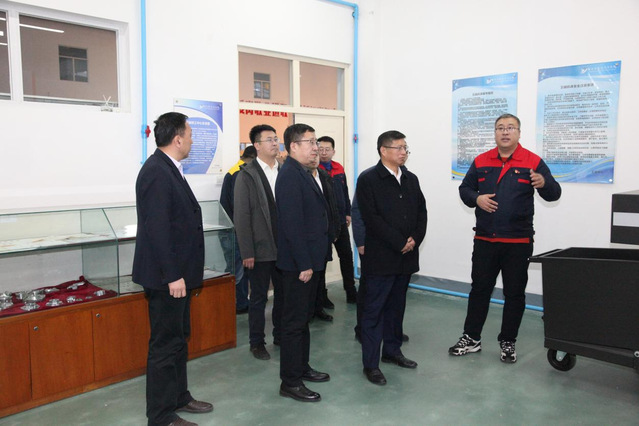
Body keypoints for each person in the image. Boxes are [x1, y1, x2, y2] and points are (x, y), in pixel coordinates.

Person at [449, 113, 561, 363]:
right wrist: (476, 198)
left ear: (519, 133)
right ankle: (471, 338)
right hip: (485, 240)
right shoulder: (481, 160)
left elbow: (554, 194)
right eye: (500, 128)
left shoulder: (532, 161)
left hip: (517, 242)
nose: (505, 132)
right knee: (479, 290)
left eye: (510, 127)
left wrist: (543, 182)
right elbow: (465, 189)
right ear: (495, 133)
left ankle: (508, 341)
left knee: (514, 294)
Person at [132, 112, 213, 426]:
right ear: (178, 139)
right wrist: (173, 275)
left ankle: (179, 397)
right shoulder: (156, 171)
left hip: (177, 275)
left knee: (179, 339)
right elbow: (158, 229)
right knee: (165, 346)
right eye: (190, 135)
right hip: (167, 278)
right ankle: (161, 415)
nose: (192, 140)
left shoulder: (169, 169)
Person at [355, 130, 427, 386]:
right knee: (374, 311)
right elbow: (371, 218)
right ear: (383, 150)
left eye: (405, 148)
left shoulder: (410, 178)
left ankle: (392, 351)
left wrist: (414, 239)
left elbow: (421, 212)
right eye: (398, 148)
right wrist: (399, 242)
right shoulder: (368, 179)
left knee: (397, 308)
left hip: (405, 258)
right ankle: (371, 364)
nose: (403, 152)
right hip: (381, 257)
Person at [276, 123, 331, 402]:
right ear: (293, 146)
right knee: (294, 323)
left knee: (303, 320)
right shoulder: (289, 175)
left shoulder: (303, 172)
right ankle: (290, 381)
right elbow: (292, 225)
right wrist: (304, 264)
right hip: (299, 265)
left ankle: (302, 367)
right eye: (309, 142)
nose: (315, 148)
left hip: (310, 260)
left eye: (316, 142)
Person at [234, 125, 283, 361]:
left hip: (284, 247)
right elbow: (242, 216)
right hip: (260, 248)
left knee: (284, 295)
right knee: (259, 298)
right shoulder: (247, 175)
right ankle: (257, 342)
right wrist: (247, 251)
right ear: (257, 145)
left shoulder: (284, 170)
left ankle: (281, 335)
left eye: (276, 139)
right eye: (269, 140)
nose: (275, 143)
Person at [318, 136, 357, 305]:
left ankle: (351, 291)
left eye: (327, 149)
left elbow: (345, 191)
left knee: (346, 256)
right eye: (320, 149)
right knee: (322, 261)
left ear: (333, 151)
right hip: (324, 224)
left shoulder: (339, 168)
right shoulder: (314, 170)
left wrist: (348, 213)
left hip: (341, 221)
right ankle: (322, 296)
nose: (324, 152)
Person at [220, 145, 257, 314]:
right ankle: (239, 303)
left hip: (234, 229)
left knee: (241, 268)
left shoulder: (237, 170)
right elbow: (241, 207)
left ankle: (241, 301)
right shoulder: (239, 173)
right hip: (234, 231)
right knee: (237, 269)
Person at [307, 155, 341, 323]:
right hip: (310, 236)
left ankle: (318, 308)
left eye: (317, 156)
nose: (314, 159)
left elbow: (331, 204)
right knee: (309, 276)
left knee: (321, 274)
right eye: (312, 155)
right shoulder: (302, 178)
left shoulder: (324, 176)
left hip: (325, 233)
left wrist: (334, 229)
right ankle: (308, 311)